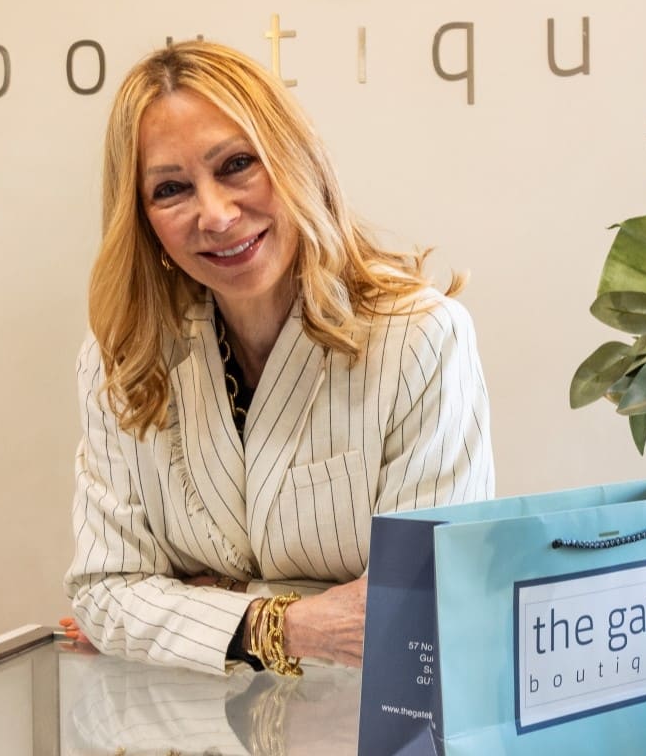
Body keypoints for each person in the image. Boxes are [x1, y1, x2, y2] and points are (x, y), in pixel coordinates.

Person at [62, 40, 493, 675]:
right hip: (191, 733)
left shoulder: (420, 339)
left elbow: (420, 613)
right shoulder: (122, 360)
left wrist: (192, 608)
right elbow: (102, 596)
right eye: (171, 188)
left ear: (296, 163)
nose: (215, 213)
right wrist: (288, 623)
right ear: (143, 217)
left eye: (237, 164)